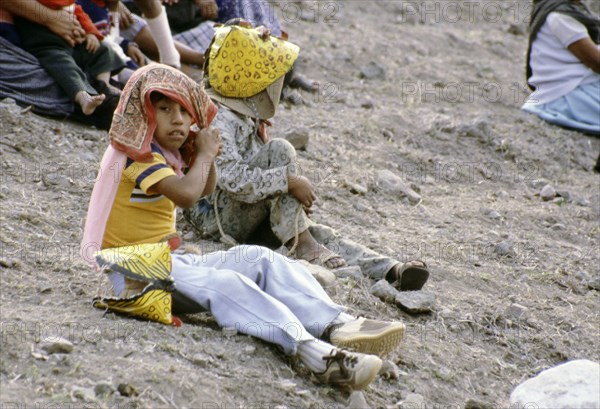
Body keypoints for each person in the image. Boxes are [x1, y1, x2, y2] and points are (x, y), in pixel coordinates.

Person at [80, 63, 407, 391]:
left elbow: (205, 189)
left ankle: (340, 324)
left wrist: (202, 154)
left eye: (183, 111)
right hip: (136, 273)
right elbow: (186, 194)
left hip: (167, 261)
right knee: (229, 284)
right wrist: (206, 154)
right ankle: (318, 355)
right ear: (142, 113)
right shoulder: (137, 156)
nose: (177, 119)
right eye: (164, 109)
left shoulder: (166, 154)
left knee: (259, 259)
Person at [185, 22, 430, 292]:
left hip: (243, 211)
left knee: (319, 232)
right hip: (217, 220)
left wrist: (287, 195)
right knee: (280, 150)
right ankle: (303, 244)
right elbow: (232, 179)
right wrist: (288, 183)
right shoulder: (219, 117)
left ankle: (390, 269)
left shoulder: (241, 113)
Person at [10, 0, 125, 116]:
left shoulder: (67, 3)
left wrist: (91, 33)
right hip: (50, 47)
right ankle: (83, 97)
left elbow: (79, 13)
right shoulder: (31, 5)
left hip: (73, 43)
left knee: (103, 49)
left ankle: (104, 85)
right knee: (66, 68)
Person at [522, 0, 600, 135]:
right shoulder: (560, 17)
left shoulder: (567, 9)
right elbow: (596, 62)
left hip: (578, 85)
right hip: (565, 95)